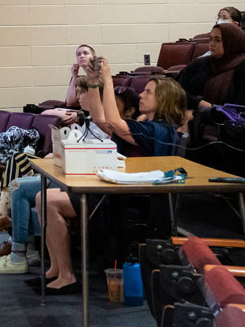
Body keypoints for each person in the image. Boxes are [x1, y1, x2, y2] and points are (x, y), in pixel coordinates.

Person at [32, 69, 185, 292]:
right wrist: (94, 83)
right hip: (118, 192)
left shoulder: (160, 131)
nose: (141, 95)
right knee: (43, 198)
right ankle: (56, 269)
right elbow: (100, 119)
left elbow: (112, 121)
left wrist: (106, 78)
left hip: (130, 200)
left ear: (163, 99)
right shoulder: (149, 126)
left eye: (148, 92)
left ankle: (66, 275)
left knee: (48, 200)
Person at [0, 87, 139, 274]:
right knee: (18, 177)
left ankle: (18, 251)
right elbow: (50, 115)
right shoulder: (88, 120)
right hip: (71, 172)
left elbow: (96, 155)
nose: (108, 106)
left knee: (20, 185)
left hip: (87, 180)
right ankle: (28, 249)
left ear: (129, 110)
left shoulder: (115, 128)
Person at [176, 22, 245, 110]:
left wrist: (211, 109)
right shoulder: (201, 63)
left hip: (227, 120)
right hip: (189, 114)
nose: (211, 44)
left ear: (231, 43)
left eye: (217, 40)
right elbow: (177, 89)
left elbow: (243, 106)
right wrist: (198, 103)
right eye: (211, 39)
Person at [42, 44, 98, 125]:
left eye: (85, 53)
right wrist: (74, 76)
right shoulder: (82, 79)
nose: (82, 56)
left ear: (93, 58)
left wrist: (81, 114)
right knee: (46, 114)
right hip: (80, 112)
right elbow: (70, 101)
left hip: (90, 114)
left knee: (47, 115)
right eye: (78, 54)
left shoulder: (97, 76)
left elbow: (98, 104)